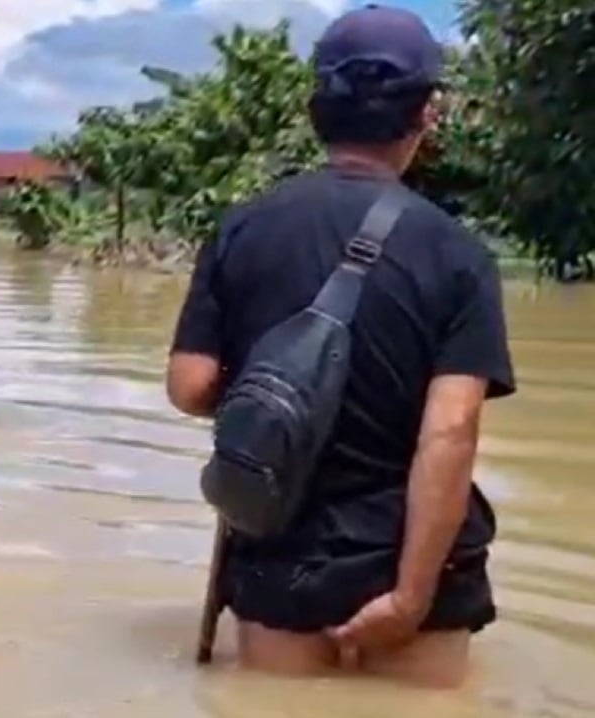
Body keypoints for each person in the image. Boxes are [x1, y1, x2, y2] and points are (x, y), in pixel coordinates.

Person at [166, 5, 515, 687]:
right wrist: (411, 597)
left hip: (282, 554)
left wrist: (281, 402)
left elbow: (190, 386)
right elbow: (450, 431)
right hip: (416, 566)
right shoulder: (459, 254)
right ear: (426, 114)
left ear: (315, 109)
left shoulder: (243, 230)